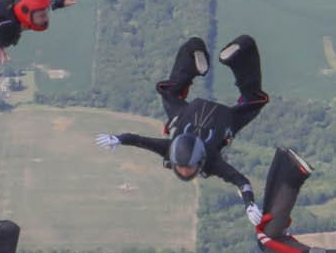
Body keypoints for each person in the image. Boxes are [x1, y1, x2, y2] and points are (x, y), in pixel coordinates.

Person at [94, 36, 268, 206]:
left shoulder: (211, 162)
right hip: (190, 113)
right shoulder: (170, 149)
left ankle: (239, 47)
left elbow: (241, 181)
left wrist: (250, 203)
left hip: (221, 117)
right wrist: (118, 139)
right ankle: (194, 49)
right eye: (187, 168)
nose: (184, 172)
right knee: (169, 92)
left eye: (183, 168)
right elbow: (139, 141)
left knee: (254, 101)